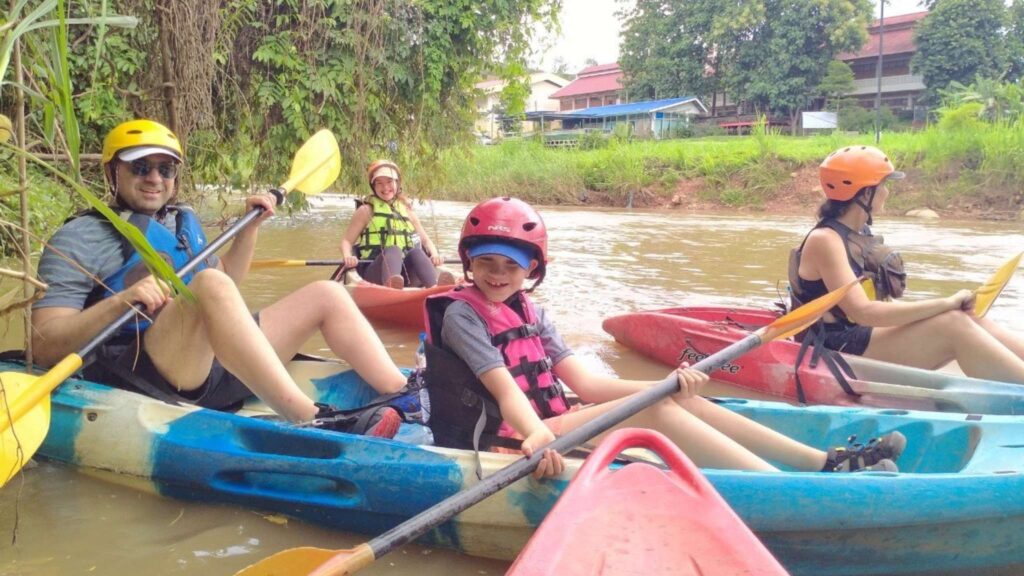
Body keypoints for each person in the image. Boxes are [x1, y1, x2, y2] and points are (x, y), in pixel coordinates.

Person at [422, 197, 906, 478]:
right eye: (486, 262)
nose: (497, 274)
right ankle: (792, 489)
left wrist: (670, 382)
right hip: (508, 438)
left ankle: (826, 463)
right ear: (469, 262)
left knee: (673, 398)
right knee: (653, 409)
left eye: (511, 266)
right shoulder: (462, 316)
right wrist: (537, 436)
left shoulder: (531, 311)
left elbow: (588, 387)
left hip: (551, 424)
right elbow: (507, 389)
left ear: (532, 269)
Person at [31, 119, 409, 437]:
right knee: (208, 285)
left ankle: (404, 393)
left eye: (166, 169)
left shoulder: (180, 221)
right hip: (144, 373)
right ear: (112, 170)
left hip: (210, 364)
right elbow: (44, 343)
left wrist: (249, 230)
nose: (154, 179)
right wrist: (121, 300)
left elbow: (224, 282)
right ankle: (313, 419)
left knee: (327, 293)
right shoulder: (81, 235)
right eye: (140, 167)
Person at [790, 145, 1024, 384]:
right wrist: (944, 303)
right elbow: (863, 312)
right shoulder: (825, 240)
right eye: (883, 185)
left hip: (859, 335)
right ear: (864, 194)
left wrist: (946, 306)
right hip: (837, 345)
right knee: (953, 324)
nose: (887, 193)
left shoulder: (859, 232)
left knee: (971, 317)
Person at [339, 160, 454, 289]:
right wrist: (348, 257)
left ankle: (435, 288)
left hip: (403, 275)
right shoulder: (365, 211)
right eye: (379, 183)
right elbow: (346, 241)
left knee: (416, 252)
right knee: (393, 249)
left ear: (397, 183)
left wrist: (434, 255)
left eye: (389, 182)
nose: (385, 187)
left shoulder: (407, 211)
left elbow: (425, 240)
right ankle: (392, 288)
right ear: (373, 186)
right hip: (374, 272)